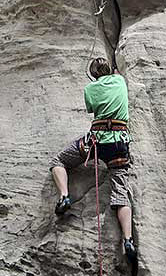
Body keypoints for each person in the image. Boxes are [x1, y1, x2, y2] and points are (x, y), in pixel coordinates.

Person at [50, 57, 137, 263]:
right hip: (119, 143)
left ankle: (64, 196)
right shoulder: (120, 81)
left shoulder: (90, 88)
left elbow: (92, 109)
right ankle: (128, 240)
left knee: (59, 161)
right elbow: (115, 75)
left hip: (95, 142)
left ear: (93, 74)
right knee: (120, 190)